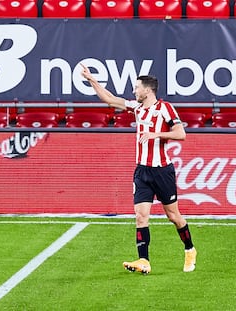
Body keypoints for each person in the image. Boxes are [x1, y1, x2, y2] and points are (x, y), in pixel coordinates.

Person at [81, 64, 197, 274]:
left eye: (136, 87)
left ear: (147, 90)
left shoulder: (165, 108)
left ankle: (190, 249)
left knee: (173, 216)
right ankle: (144, 260)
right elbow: (109, 99)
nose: (134, 91)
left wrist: (156, 135)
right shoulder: (137, 108)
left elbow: (181, 134)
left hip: (162, 171)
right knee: (140, 216)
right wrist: (91, 79)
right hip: (142, 171)